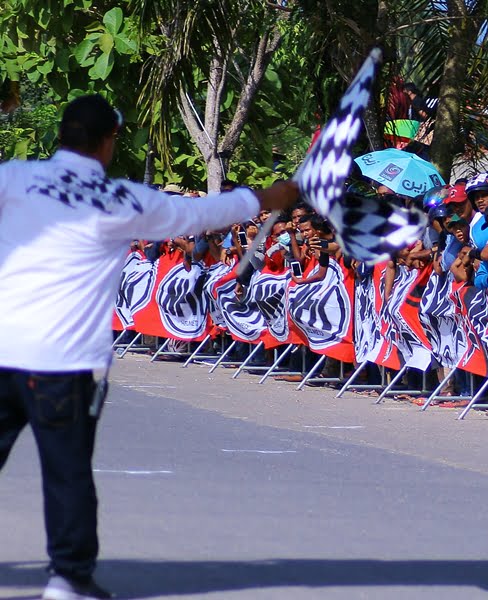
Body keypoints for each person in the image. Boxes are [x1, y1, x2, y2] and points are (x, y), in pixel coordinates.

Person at [0, 94, 299, 600]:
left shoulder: (14, 177)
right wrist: (270, 197)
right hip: (63, 364)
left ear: (63, 134)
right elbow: (201, 214)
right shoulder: (122, 200)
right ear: (110, 140)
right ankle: (67, 581)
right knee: (67, 473)